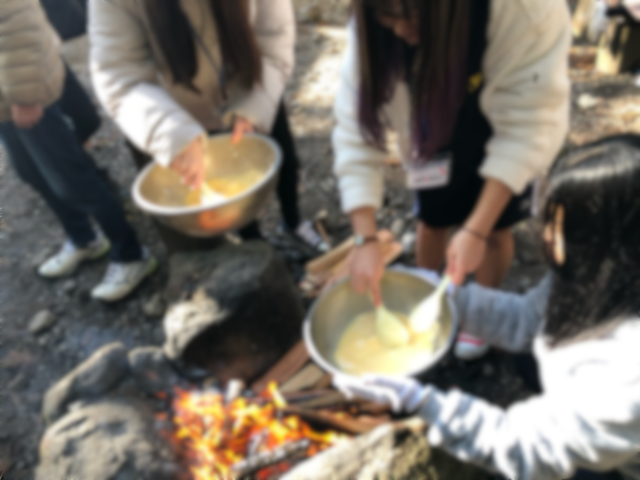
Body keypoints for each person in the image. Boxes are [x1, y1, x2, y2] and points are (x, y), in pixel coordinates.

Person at [335, 136, 640, 480]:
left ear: (613, 246)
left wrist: (425, 404)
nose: (545, 235)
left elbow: (525, 449)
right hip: (602, 408)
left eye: (562, 228)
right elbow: (527, 318)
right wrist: (446, 297)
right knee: (527, 358)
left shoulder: (627, 375)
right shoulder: (597, 275)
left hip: (622, 464)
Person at [333, 0, 571, 358]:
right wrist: (365, 237)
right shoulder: (373, 27)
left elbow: (529, 125)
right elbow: (355, 130)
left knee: (495, 232)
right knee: (432, 221)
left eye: (415, 14)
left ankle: (486, 315)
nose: (401, 29)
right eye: (387, 16)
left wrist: (476, 229)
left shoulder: (527, 11)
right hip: (431, 133)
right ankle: (426, 300)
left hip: (501, 125)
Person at [88, 0, 326, 252]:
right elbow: (119, 75)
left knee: (285, 162)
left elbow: (274, 37)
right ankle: (255, 244)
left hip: (255, 85)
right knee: (233, 194)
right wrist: (167, 131)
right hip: (186, 115)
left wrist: (256, 102)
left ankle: (293, 222)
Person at [0, 0, 156, 302]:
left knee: (72, 180)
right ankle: (84, 239)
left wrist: (25, 94)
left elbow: (19, 22)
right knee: (31, 173)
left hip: (25, 93)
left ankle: (132, 255)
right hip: (4, 104)